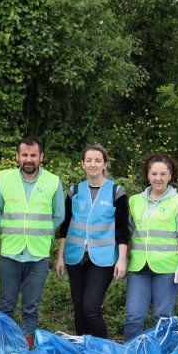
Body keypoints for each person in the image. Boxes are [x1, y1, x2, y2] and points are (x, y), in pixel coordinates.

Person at [0, 137, 65, 343]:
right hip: (11, 253)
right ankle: (4, 345)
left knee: (31, 307)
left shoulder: (53, 181)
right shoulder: (5, 179)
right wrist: (8, 228)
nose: (28, 159)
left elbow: (59, 215)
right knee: (6, 306)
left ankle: (26, 346)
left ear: (41, 157)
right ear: (17, 157)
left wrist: (42, 232)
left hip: (38, 254)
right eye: (24, 155)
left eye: (33, 155)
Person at [55, 144, 129, 338]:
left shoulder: (117, 192)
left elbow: (122, 231)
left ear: (105, 164)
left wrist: (122, 260)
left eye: (97, 160)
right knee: (78, 307)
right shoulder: (74, 191)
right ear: (82, 164)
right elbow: (65, 227)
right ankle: (83, 350)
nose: (93, 164)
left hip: (103, 258)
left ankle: (104, 351)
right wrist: (60, 257)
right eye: (88, 160)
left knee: (91, 308)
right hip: (75, 256)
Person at [124, 153, 178, 340]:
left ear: (170, 175)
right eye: (154, 173)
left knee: (162, 317)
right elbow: (128, 233)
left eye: (163, 174)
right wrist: (123, 260)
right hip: (139, 267)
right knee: (133, 316)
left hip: (167, 269)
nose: (158, 178)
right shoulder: (135, 201)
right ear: (148, 175)